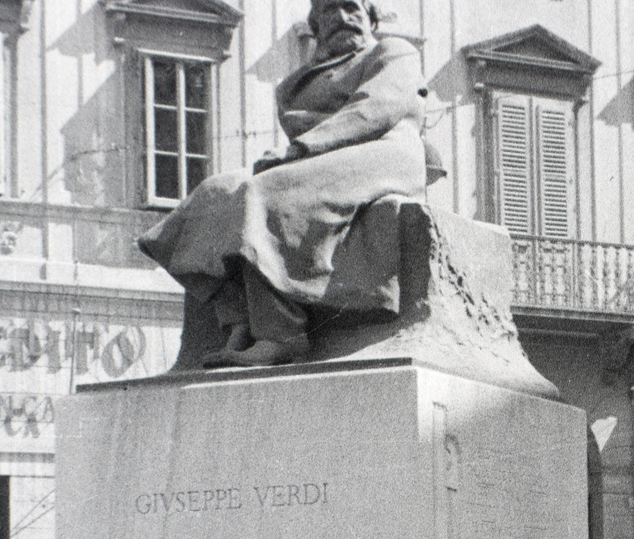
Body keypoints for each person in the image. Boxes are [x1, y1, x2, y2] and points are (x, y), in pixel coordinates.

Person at [138, 0, 427, 369]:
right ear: (315, 27)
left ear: (371, 17)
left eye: (350, 7)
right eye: (327, 11)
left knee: (263, 193)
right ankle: (239, 318)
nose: (340, 18)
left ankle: (281, 335)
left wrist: (301, 147)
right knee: (214, 194)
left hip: (384, 150)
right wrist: (299, 149)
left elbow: (376, 109)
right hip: (320, 155)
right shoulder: (297, 83)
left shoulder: (393, 52)